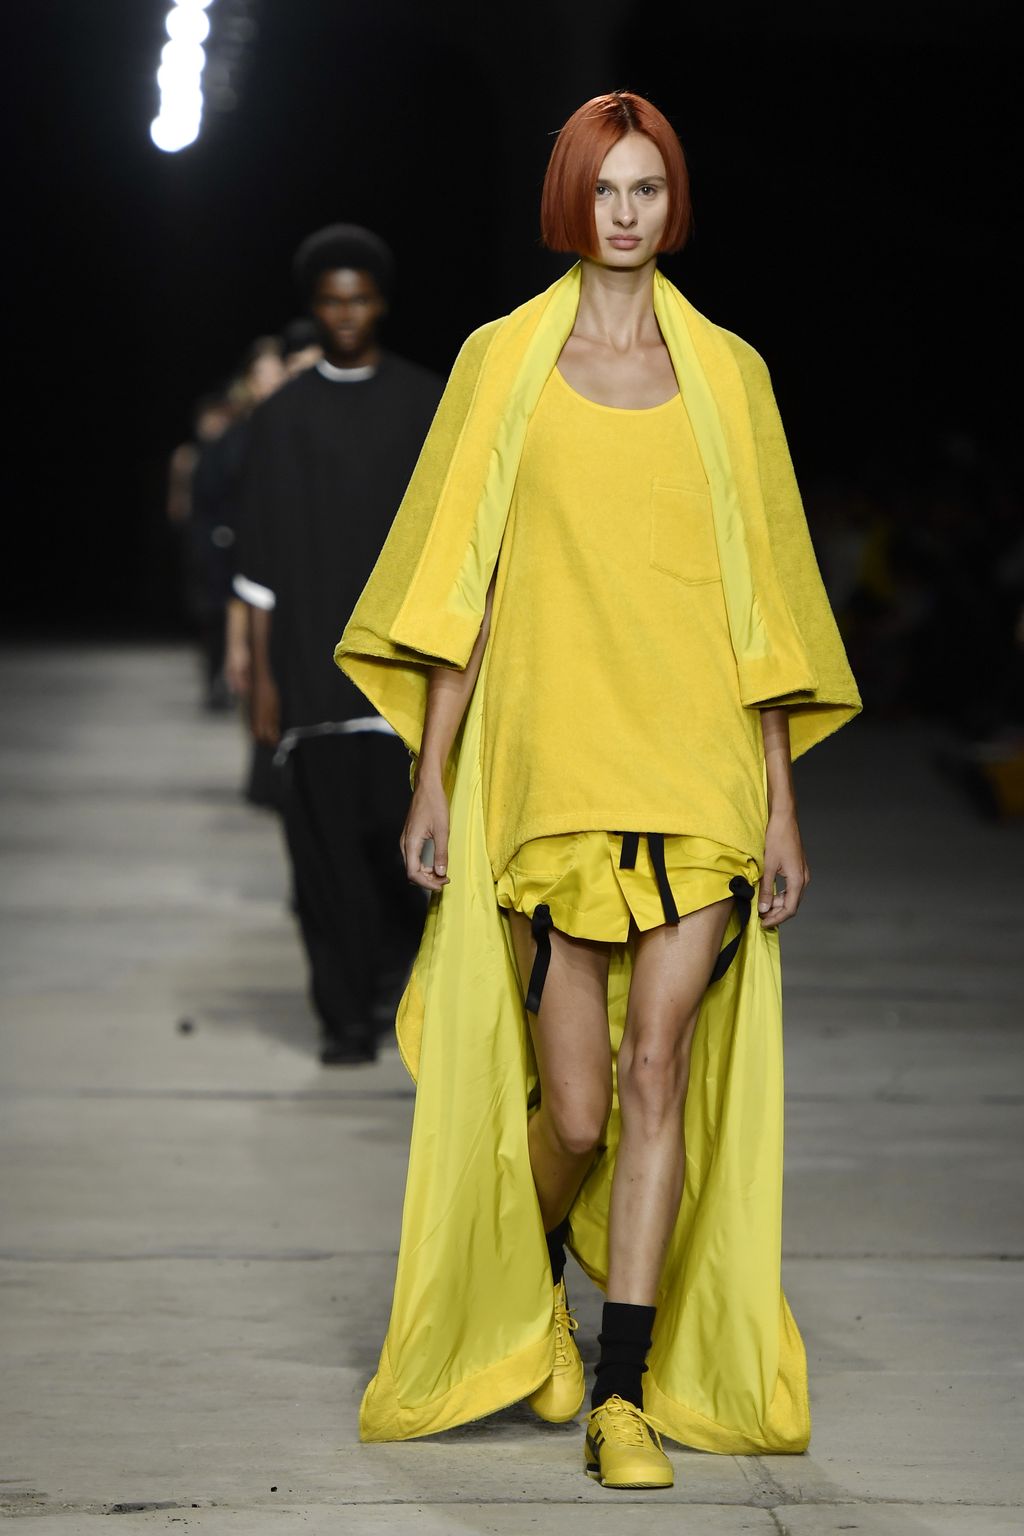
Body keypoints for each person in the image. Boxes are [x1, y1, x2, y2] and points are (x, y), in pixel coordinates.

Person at [335, 93, 861, 1485]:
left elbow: (764, 609)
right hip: (556, 765)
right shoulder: (503, 361)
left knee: (657, 1070)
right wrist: (433, 778)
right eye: (605, 188)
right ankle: (527, 1307)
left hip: (696, 767)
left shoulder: (729, 375)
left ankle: (619, 1394)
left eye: (648, 188)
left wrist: (780, 802)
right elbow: (461, 591)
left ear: (673, 202)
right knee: (574, 1113)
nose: (626, 212)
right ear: (570, 199)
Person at [233, 225, 443, 1064]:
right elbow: (258, 563)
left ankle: (389, 986)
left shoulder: (426, 404)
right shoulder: (281, 417)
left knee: (401, 857)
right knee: (324, 867)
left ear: (380, 303)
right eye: (331, 301)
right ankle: (344, 1021)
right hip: (312, 677)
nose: (346, 314)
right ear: (314, 309)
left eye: (359, 299)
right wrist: (262, 679)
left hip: (402, 677)